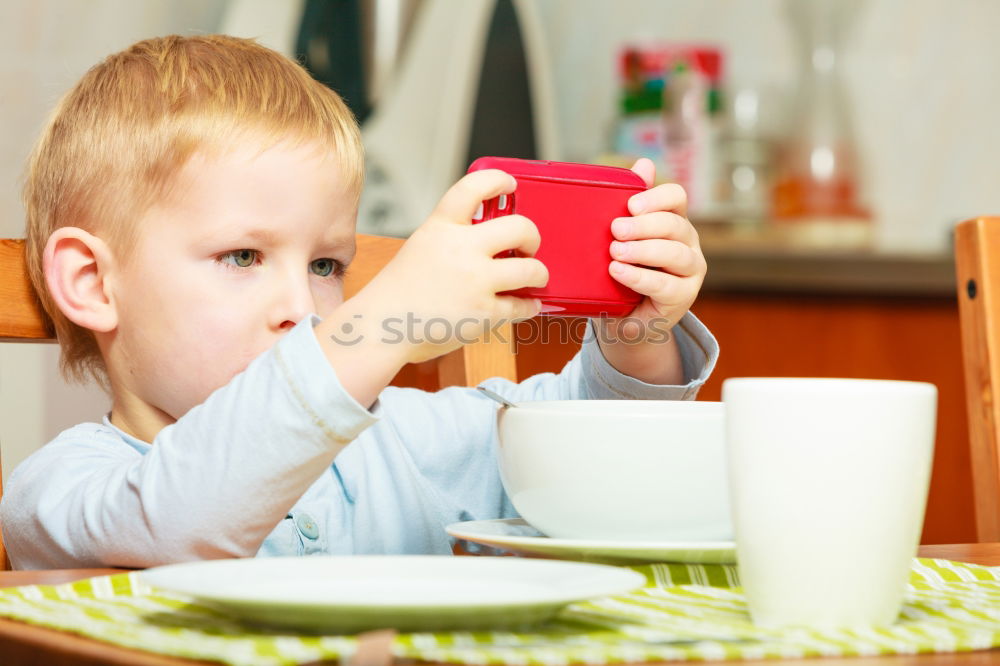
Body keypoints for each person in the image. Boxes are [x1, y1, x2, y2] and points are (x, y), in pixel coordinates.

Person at [0, 35, 717, 569]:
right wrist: (385, 315)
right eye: (242, 256)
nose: (299, 305)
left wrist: (638, 333)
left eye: (325, 264)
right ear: (93, 283)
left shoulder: (398, 439)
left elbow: (585, 467)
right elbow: (183, 521)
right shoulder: (60, 492)